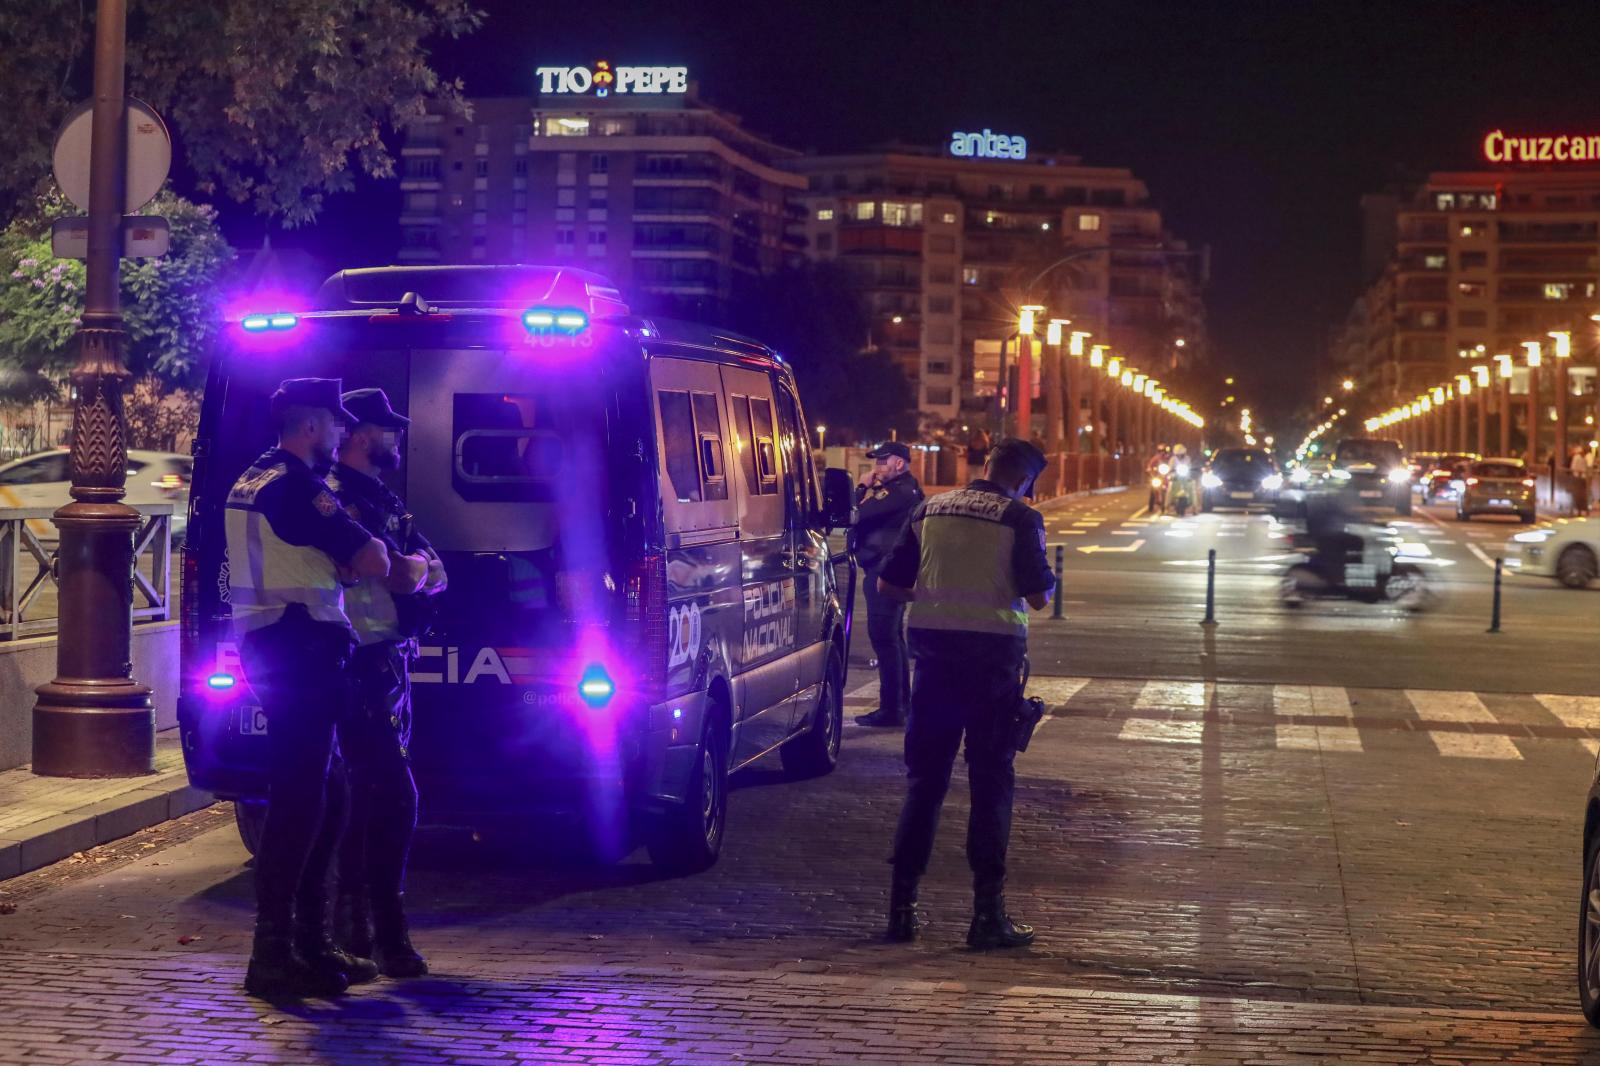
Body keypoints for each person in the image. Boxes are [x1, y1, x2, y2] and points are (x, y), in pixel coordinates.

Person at [228, 378, 390, 999]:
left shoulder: (255, 476)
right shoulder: (297, 487)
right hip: (298, 644)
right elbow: (370, 558)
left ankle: (308, 944)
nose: (343, 434)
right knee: (302, 799)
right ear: (310, 426)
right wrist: (368, 555)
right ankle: (274, 954)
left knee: (329, 792)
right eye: (335, 423)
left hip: (278, 643)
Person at [876, 438, 1055, 949]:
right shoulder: (1019, 518)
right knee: (991, 782)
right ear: (1023, 480)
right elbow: (1039, 597)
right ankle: (986, 916)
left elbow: (890, 586)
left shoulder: (927, 507)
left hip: (932, 663)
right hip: (993, 667)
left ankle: (902, 911)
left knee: (925, 784)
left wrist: (936, 592)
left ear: (985, 467)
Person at [320, 388, 448, 978]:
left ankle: (362, 931)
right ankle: (374, 931)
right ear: (363, 437)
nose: (399, 438)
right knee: (387, 797)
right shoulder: (342, 500)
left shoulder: (380, 498)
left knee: (369, 797)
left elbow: (431, 565)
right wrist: (417, 572)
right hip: (358, 659)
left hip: (387, 662)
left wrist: (417, 571)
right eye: (389, 430)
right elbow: (402, 575)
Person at [850, 441, 924, 728]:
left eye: (883, 462)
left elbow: (854, 515)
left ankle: (892, 708)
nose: (877, 468)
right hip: (888, 568)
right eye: (876, 462)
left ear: (900, 464)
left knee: (884, 639)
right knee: (893, 639)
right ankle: (900, 705)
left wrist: (859, 487)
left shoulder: (899, 492)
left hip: (884, 570)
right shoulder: (904, 490)